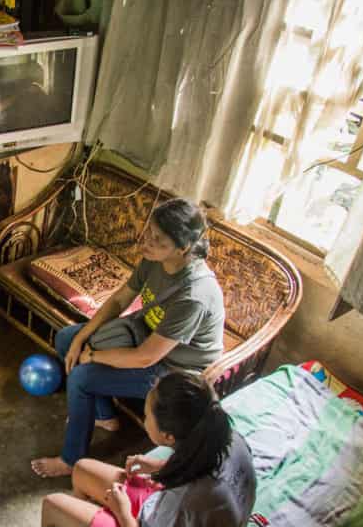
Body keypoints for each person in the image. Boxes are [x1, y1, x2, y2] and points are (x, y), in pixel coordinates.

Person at [32, 198, 225, 478]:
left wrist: (93, 356)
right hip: (144, 333)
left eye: (156, 239)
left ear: (182, 249)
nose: (145, 241)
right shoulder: (154, 260)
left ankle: (71, 460)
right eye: (149, 231)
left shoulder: (193, 296)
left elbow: (147, 357)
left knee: (81, 377)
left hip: (173, 368)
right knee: (65, 339)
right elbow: (121, 298)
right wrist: (81, 337)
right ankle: (104, 416)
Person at [41, 371, 257, 527]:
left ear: (168, 437)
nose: (145, 420)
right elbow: (202, 466)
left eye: (146, 416)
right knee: (82, 469)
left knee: (52, 504)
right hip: (169, 520)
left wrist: (122, 510)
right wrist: (155, 466)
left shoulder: (184, 499)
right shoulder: (228, 439)